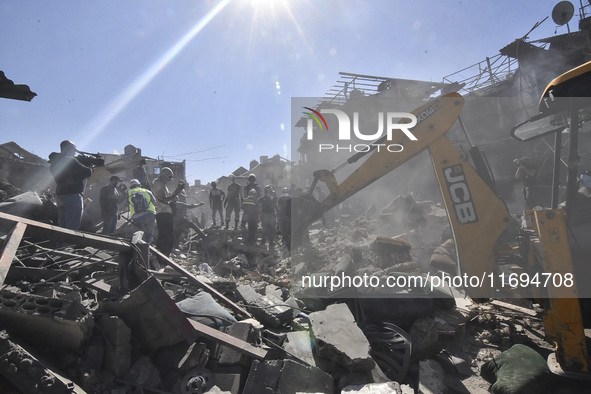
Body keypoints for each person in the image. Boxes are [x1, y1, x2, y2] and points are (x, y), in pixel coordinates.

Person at [48, 140, 92, 230]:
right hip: (72, 197)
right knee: (72, 227)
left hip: (61, 196)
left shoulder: (54, 163)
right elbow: (87, 172)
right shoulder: (70, 160)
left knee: (62, 226)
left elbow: (72, 174)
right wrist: (90, 167)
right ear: (69, 149)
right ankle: (66, 244)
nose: (74, 153)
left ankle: (60, 243)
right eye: (74, 150)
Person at [152, 167, 185, 256]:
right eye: (169, 177)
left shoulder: (163, 185)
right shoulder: (158, 184)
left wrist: (176, 194)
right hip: (162, 213)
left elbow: (170, 197)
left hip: (166, 212)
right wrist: (177, 192)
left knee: (169, 238)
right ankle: (162, 256)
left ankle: (164, 256)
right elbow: (164, 199)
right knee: (165, 237)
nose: (170, 180)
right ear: (164, 175)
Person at [128, 179, 157, 244]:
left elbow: (126, 204)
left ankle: (138, 249)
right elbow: (154, 201)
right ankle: (147, 247)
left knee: (137, 234)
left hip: (137, 216)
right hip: (150, 214)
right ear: (139, 185)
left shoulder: (129, 192)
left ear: (131, 186)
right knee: (149, 233)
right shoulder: (146, 191)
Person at [259, 185, 277, 249]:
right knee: (265, 229)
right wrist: (260, 215)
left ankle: (271, 242)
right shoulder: (262, 198)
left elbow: (275, 206)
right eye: (267, 190)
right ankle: (263, 242)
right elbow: (260, 207)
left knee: (272, 229)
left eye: (269, 190)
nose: (269, 192)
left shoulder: (273, 198)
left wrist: (276, 214)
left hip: (271, 214)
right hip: (265, 214)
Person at [277, 187, 292, 253]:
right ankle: (284, 241)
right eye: (285, 191)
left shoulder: (291, 198)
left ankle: (289, 242)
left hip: (289, 216)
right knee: (284, 229)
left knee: (289, 229)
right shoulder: (281, 198)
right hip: (283, 216)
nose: (286, 193)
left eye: (286, 191)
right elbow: (279, 206)